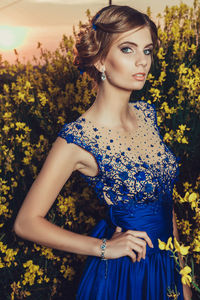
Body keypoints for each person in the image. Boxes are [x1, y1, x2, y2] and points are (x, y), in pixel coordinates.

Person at [14, 5, 192, 300]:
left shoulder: (148, 115)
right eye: (127, 49)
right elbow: (26, 222)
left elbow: (165, 202)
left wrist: (183, 280)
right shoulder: (77, 138)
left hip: (167, 268)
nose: (142, 62)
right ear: (99, 60)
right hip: (125, 274)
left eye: (147, 51)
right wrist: (104, 248)